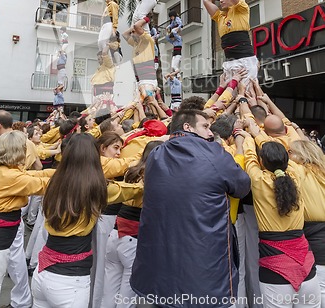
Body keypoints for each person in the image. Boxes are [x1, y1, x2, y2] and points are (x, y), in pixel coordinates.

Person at [130, 109, 251, 307]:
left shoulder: (155, 155)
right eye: (205, 126)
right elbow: (242, 186)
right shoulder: (213, 153)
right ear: (188, 127)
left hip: (159, 265)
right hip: (204, 264)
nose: (211, 133)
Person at [31, 133, 145, 308]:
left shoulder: (53, 180)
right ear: (95, 157)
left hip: (41, 274)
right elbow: (130, 190)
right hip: (70, 282)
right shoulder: (97, 188)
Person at [240, 135, 321, 308]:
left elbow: (249, 158)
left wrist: (246, 136)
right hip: (305, 263)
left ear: (262, 161)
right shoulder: (296, 176)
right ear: (286, 159)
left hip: (275, 266)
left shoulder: (257, 180)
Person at [0, 130, 54, 308]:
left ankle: (22, 301)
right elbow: (41, 184)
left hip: (6, 231)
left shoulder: (3, 170)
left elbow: (35, 175)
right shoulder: (10, 176)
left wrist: (62, 170)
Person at [102, 140, 164, 308]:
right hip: (133, 238)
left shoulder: (132, 170)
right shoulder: (153, 174)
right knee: (126, 298)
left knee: (109, 291)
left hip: (115, 233)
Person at [288, 140, 325, 307]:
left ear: (302, 156)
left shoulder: (299, 170)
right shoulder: (322, 170)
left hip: (315, 234)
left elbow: (273, 155)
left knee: (320, 286)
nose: (289, 155)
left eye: (291, 152)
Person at [203, 0, 258, 82]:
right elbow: (206, 0)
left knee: (245, 93)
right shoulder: (220, 16)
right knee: (230, 95)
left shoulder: (241, 9)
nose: (221, 0)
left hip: (244, 59)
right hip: (229, 62)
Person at [123, 18, 157, 100]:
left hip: (148, 80)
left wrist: (146, 18)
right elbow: (124, 34)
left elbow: (137, 26)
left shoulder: (147, 40)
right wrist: (132, 29)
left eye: (133, 32)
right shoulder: (135, 43)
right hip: (140, 80)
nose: (131, 34)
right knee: (142, 103)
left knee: (148, 99)